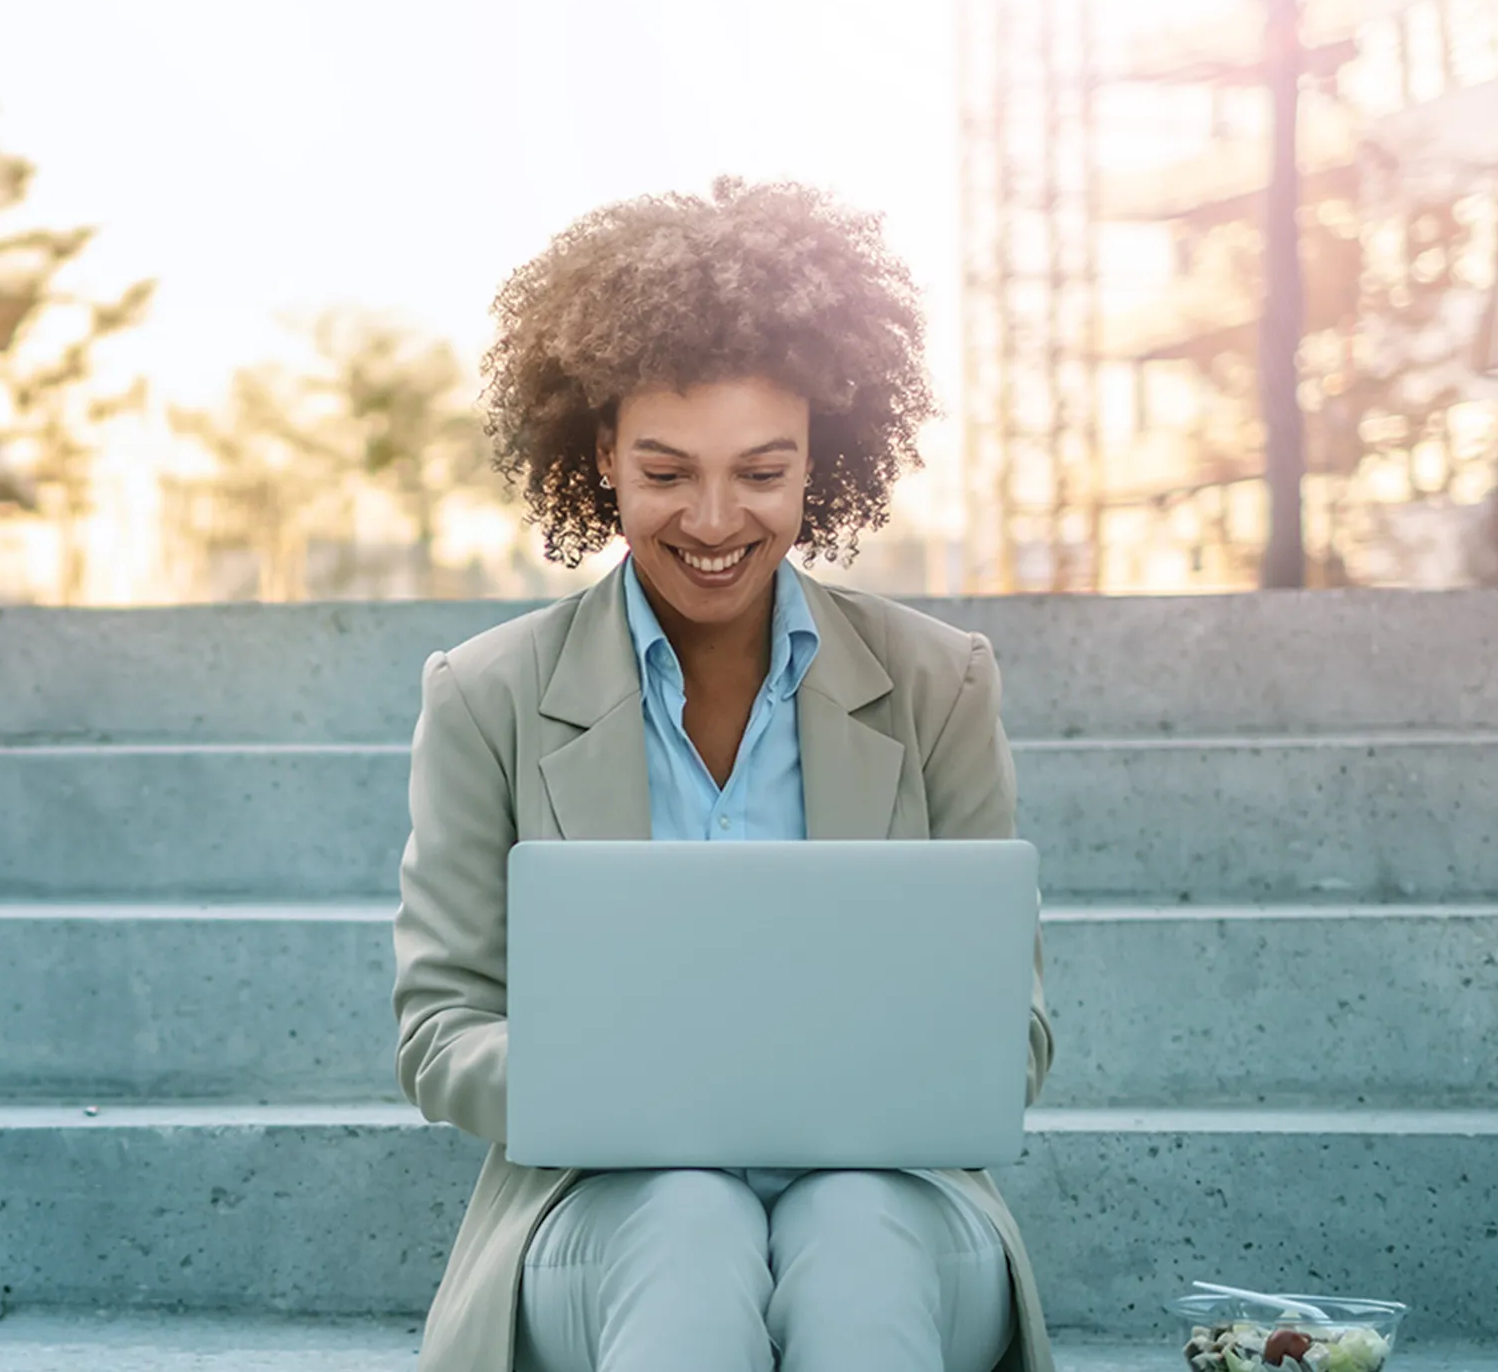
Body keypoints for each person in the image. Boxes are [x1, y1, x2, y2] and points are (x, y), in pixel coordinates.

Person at [392, 175, 1056, 1372]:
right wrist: (625, 1089)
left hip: (892, 1203)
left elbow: (1009, 1030)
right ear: (600, 454)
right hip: (605, 1212)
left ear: (821, 461)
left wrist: (840, 1097)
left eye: (762, 470)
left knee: (852, 1229)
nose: (712, 518)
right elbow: (440, 1028)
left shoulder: (938, 681)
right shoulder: (485, 695)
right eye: (664, 470)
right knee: (690, 1214)